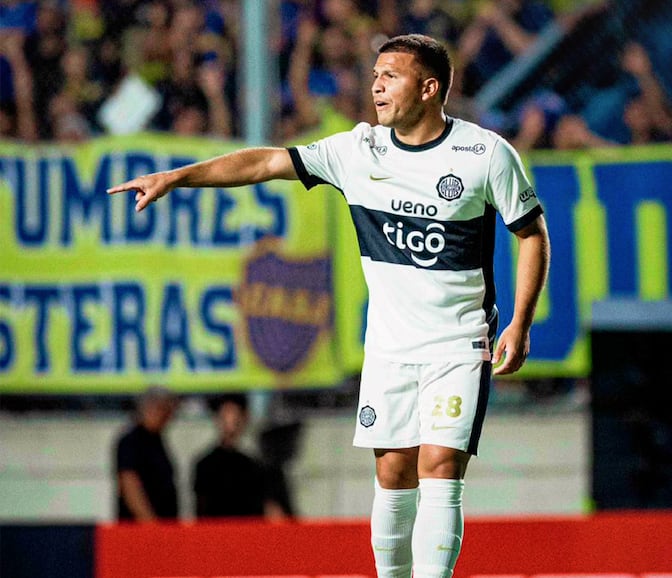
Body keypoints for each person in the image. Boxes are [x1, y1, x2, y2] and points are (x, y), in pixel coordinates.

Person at [108, 33, 550, 578]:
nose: (377, 85)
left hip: (458, 343)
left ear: (430, 88)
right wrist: (178, 177)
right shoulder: (356, 151)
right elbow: (264, 163)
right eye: (374, 75)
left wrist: (522, 323)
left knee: (439, 465)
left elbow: (532, 235)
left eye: (391, 74)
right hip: (389, 346)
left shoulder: (485, 155)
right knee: (392, 472)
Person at [194, 393, 291, 519]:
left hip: (250, 533)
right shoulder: (205, 465)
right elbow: (201, 510)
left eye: (235, 415)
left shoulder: (258, 465)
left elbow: (270, 509)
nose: (230, 421)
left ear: (245, 417)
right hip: (217, 533)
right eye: (225, 415)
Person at [114, 386, 179, 522]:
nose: (170, 418)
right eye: (167, 411)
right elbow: (129, 485)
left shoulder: (157, 441)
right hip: (139, 532)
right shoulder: (131, 441)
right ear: (152, 408)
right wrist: (151, 526)